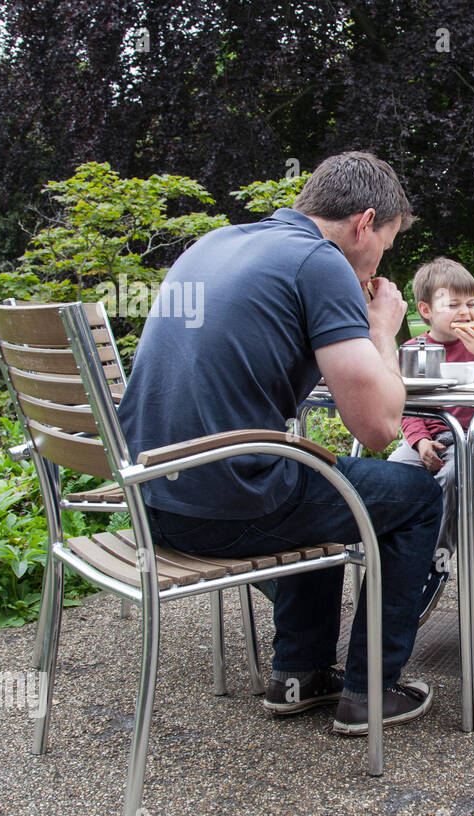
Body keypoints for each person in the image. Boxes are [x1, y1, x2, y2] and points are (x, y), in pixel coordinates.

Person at [117, 151, 440, 735]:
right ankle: (371, 691)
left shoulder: (215, 242)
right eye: (387, 243)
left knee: (320, 478)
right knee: (414, 493)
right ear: (365, 223)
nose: (380, 258)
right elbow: (378, 427)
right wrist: (381, 331)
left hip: (149, 503)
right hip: (223, 510)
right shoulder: (321, 262)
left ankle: (300, 675)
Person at [388, 257, 474, 613]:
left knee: (452, 474)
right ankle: (393, 559)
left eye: (470, 303)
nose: (466, 312)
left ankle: (433, 562)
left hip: (472, 439)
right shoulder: (411, 350)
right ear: (425, 310)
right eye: (453, 305)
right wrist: (419, 442)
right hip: (427, 438)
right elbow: (405, 406)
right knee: (391, 474)